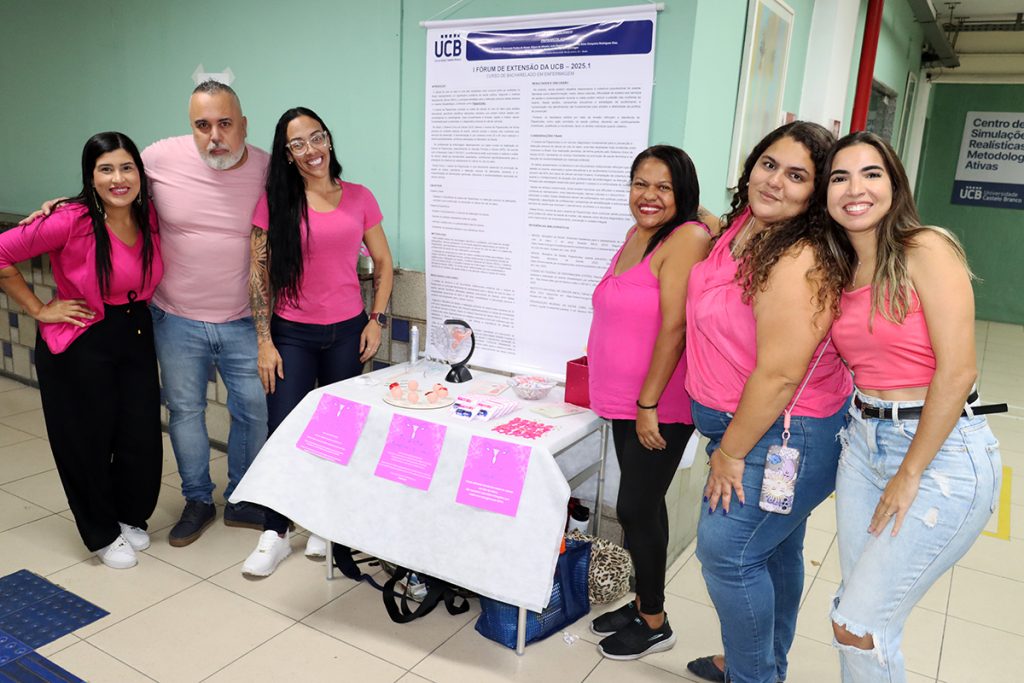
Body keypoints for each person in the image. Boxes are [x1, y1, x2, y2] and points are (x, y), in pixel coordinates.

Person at [22, 80, 271, 547]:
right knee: (185, 411)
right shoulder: (159, 158)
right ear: (190, 126)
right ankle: (197, 500)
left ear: (243, 124)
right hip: (174, 319)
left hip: (240, 319)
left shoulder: (266, 167)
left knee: (253, 409)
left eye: (224, 123)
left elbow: (304, 204)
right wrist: (58, 207)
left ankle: (242, 496)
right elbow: (109, 181)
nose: (214, 135)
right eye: (202, 125)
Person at [823, 131, 1001, 683]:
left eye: (871, 174)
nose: (856, 189)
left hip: (938, 453)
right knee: (863, 617)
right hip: (862, 443)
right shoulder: (840, 267)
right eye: (840, 177)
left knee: (857, 624)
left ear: (895, 184)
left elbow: (959, 371)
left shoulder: (925, 248)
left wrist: (910, 472)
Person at [684, 121, 853, 683]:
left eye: (797, 176)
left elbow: (780, 374)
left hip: (781, 433)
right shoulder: (746, 226)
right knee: (774, 551)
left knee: (728, 553)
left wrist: (730, 454)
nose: (775, 181)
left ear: (817, 193)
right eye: (769, 164)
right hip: (749, 426)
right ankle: (763, 664)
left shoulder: (801, 258)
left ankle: (752, 675)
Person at [241, 107, 393, 577]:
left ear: (328, 139)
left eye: (317, 137)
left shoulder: (360, 196)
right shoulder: (275, 203)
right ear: (287, 155)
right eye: (298, 144)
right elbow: (258, 272)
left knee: (339, 436)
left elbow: (384, 264)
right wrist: (264, 341)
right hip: (292, 336)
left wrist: (376, 320)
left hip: (347, 334)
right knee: (282, 431)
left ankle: (326, 524)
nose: (311, 150)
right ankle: (275, 530)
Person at [0, 132, 163, 569]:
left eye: (126, 168)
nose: (118, 178)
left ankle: (128, 514)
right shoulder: (70, 220)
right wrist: (38, 308)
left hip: (135, 330)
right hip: (82, 337)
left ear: (140, 174)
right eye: (105, 169)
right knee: (86, 439)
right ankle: (101, 532)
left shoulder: (148, 216)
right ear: (90, 177)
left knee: (138, 433)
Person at [585, 145, 712, 659]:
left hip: (658, 403)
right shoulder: (637, 234)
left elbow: (675, 327)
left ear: (683, 192)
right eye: (641, 183)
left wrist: (647, 403)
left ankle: (655, 622)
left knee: (635, 507)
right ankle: (642, 604)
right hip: (626, 399)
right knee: (644, 503)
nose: (649, 195)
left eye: (664, 186)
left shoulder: (687, 238)